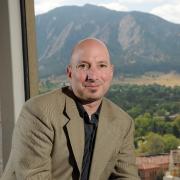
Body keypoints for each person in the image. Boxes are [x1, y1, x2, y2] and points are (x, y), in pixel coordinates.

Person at [1, 38, 140, 180]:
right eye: (83, 66)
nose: (93, 76)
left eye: (102, 66)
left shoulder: (123, 122)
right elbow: (33, 177)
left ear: (111, 72)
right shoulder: (39, 112)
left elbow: (126, 176)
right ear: (69, 73)